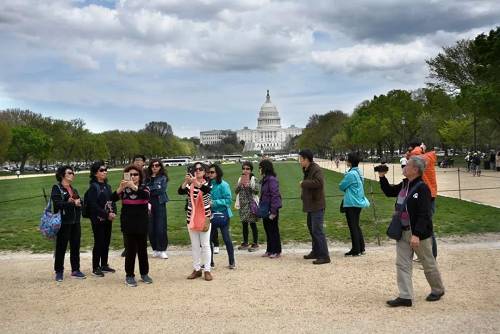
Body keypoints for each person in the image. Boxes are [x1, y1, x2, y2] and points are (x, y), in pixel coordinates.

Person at [378, 156, 445, 307]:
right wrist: (382, 177)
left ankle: (438, 289)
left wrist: (417, 234)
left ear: (415, 170)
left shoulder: (422, 188)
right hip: (402, 232)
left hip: (418, 234)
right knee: (402, 264)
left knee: (428, 262)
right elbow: (389, 192)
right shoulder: (405, 184)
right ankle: (405, 296)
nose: (404, 168)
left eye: (406, 165)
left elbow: (424, 214)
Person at [112, 165, 152, 287]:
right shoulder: (124, 189)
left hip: (142, 222)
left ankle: (144, 273)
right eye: (131, 174)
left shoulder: (144, 188)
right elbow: (111, 198)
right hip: (128, 222)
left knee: (142, 250)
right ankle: (129, 275)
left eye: (136, 174)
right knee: (130, 250)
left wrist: (133, 186)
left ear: (140, 176)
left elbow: (145, 196)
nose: (133, 176)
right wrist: (120, 188)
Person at [178, 162, 213, 281]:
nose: (197, 171)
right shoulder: (190, 184)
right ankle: (197, 269)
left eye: (200, 169)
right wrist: (186, 181)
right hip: (191, 218)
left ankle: (207, 270)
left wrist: (194, 182)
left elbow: (206, 190)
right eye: (195, 169)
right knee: (195, 246)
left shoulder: (208, 183)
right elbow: (180, 191)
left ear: (205, 171)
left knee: (205, 245)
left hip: (205, 217)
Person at [51, 165, 85, 281]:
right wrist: (70, 202)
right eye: (70, 173)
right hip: (64, 223)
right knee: (61, 247)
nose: (72, 175)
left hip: (75, 222)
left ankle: (75, 270)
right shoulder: (57, 188)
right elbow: (57, 204)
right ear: (62, 175)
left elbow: (78, 201)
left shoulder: (72, 189)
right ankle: (59, 271)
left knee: (75, 246)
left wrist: (80, 202)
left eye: (73, 173)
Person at [407, 140, 438, 258]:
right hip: (430, 192)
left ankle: (431, 256)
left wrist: (417, 149)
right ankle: (427, 255)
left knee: (426, 226)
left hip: (424, 193)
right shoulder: (428, 157)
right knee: (424, 224)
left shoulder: (418, 157)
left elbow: (413, 156)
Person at [299, 149, 330, 265]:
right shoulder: (308, 169)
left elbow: (319, 183)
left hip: (317, 205)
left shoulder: (316, 169)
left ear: (306, 159)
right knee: (312, 230)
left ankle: (324, 256)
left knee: (317, 230)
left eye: (301, 159)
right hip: (311, 205)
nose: (300, 161)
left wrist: (303, 183)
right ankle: (316, 251)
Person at [87, 161, 117, 277]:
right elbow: (93, 205)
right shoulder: (93, 187)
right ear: (95, 173)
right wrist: (106, 214)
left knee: (106, 242)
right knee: (99, 242)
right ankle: (96, 267)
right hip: (98, 219)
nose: (104, 172)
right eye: (101, 170)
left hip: (107, 219)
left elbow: (112, 201)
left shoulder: (107, 186)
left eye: (105, 170)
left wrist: (113, 212)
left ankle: (104, 264)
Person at [339, 152, 370, 257]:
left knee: (353, 226)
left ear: (350, 162)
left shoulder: (351, 174)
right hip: (358, 201)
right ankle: (361, 248)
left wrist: (346, 178)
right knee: (356, 225)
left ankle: (356, 249)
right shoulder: (358, 172)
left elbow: (342, 186)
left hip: (352, 202)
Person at [208, 164, 236, 269]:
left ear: (217, 173)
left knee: (226, 238)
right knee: (208, 240)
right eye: (209, 172)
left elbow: (228, 200)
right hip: (210, 215)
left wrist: (214, 202)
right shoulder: (208, 185)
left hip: (223, 215)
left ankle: (232, 261)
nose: (209, 174)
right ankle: (209, 262)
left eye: (212, 172)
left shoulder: (224, 185)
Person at [121, 154, 147, 258]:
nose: (138, 162)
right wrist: (121, 188)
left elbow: (146, 194)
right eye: (136, 160)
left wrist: (134, 187)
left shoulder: (144, 176)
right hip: (128, 215)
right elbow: (113, 197)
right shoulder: (127, 174)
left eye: (140, 160)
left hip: (141, 211)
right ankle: (128, 248)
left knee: (142, 244)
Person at [145, 159, 169, 259]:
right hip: (148, 203)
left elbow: (161, 190)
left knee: (160, 227)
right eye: (152, 165)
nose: (155, 167)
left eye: (157, 165)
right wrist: (153, 188)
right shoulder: (146, 178)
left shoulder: (163, 178)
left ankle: (162, 249)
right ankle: (155, 248)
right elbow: (144, 189)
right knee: (150, 228)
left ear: (160, 167)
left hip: (159, 203)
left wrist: (150, 189)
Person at [259, 159, 282, 258]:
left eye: (260, 168)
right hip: (265, 208)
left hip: (271, 208)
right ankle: (269, 249)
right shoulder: (265, 179)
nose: (259, 170)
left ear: (265, 168)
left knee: (273, 230)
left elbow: (275, 195)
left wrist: (273, 211)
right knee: (268, 230)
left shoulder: (271, 180)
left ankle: (276, 250)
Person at [235, 161, 260, 252]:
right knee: (244, 224)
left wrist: (248, 185)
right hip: (242, 205)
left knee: (253, 224)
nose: (245, 170)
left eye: (247, 169)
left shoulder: (254, 179)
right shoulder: (240, 179)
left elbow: (257, 191)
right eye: (244, 168)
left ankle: (255, 243)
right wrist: (240, 184)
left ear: (251, 170)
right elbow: (236, 191)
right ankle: (245, 242)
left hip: (251, 205)